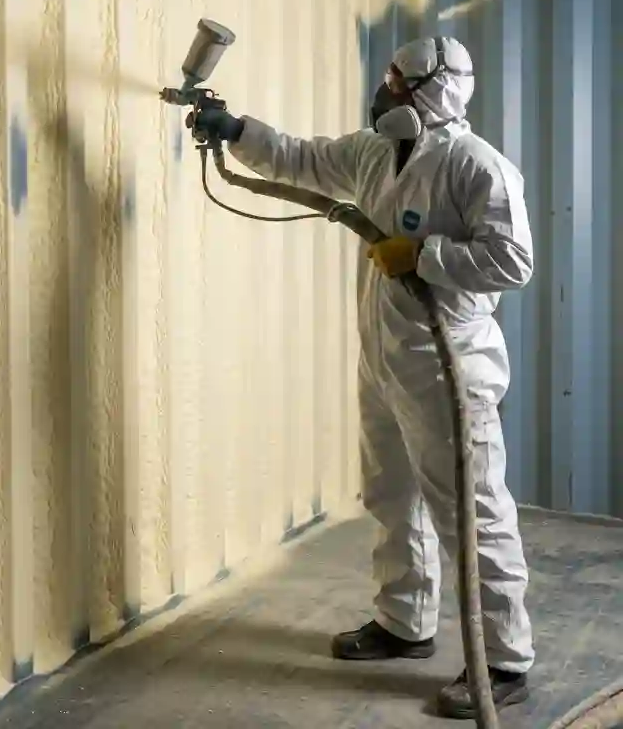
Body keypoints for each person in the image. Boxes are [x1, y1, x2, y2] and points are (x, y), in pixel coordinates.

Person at [193, 35, 534, 719]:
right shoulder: (372, 153)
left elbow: (512, 261)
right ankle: (405, 622)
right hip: (385, 357)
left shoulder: (477, 168)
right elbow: (303, 159)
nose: (384, 94)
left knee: (472, 514)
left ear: (431, 91)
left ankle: (504, 660)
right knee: (391, 495)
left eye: (396, 84)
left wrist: (425, 254)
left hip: (448, 369)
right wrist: (234, 130)